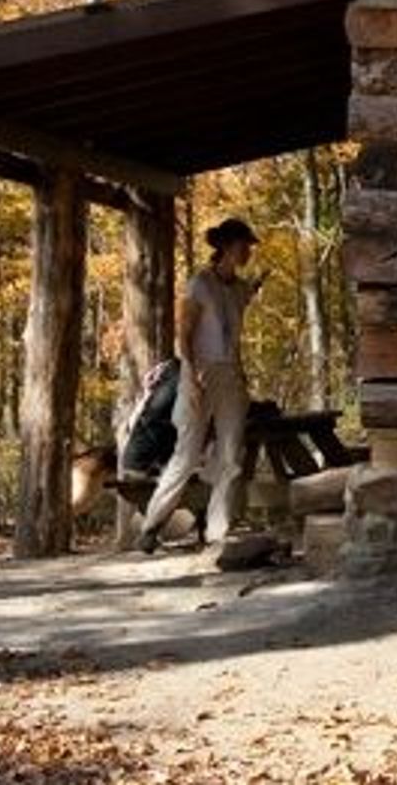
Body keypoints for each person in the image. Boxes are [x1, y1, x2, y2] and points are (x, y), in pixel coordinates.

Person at [137, 217, 267, 554]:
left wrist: (254, 288)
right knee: (187, 453)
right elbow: (184, 333)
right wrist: (190, 378)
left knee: (230, 454)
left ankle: (217, 530)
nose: (248, 251)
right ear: (225, 246)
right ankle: (152, 524)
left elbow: (238, 305)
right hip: (199, 372)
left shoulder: (238, 289)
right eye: (243, 245)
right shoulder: (199, 283)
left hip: (230, 375)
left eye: (249, 246)